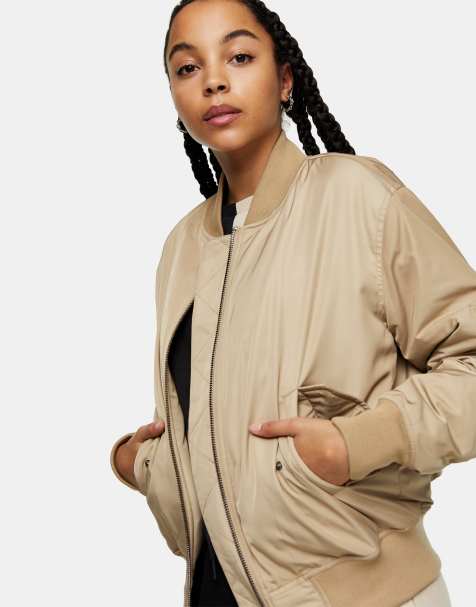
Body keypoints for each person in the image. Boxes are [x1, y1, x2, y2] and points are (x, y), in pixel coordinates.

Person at [109, 1, 475, 605]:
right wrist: (141, 464)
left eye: (239, 57)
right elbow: (209, 421)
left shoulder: (357, 196)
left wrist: (356, 443)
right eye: (187, 67)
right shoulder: (182, 248)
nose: (213, 80)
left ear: (285, 80)